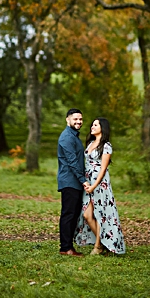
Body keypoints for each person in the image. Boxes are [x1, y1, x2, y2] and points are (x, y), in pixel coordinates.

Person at [74, 117, 126, 255]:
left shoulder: (106, 146)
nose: (92, 127)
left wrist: (94, 186)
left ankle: (98, 246)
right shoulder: (90, 143)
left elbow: (103, 169)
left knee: (100, 214)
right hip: (88, 181)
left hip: (99, 183)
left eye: (95, 125)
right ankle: (105, 244)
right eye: (92, 125)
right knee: (87, 215)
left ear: (102, 127)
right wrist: (86, 183)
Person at [57, 108, 85, 257]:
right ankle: (65, 248)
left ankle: (69, 246)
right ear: (67, 120)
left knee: (73, 214)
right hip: (70, 181)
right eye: (75, 119)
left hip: (75, 181)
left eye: (80, 119)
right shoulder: (67, 137)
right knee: (68, 214)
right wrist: (83, 181)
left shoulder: (74, 136)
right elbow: (72, 162)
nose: (78, 122)